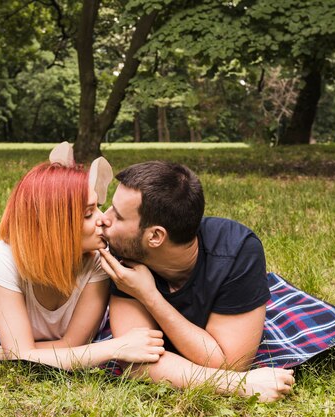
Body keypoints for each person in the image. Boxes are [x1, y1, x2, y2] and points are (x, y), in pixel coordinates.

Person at [98, 160, 295, 401]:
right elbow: (136, 361)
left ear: (156, 236)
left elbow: (230, 362)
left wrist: (149, 296)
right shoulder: (123, 251)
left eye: (117, 216)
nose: (103, 219)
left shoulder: (236, 251)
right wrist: (237, 385)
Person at [0, 159, 165, 370]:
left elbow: (72, 345)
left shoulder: (99, 258)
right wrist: (116, 347)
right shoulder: (4, 257)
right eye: (89, 213)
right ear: (54, 225)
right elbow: (21, 353)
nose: (103, 219)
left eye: (98, 207)